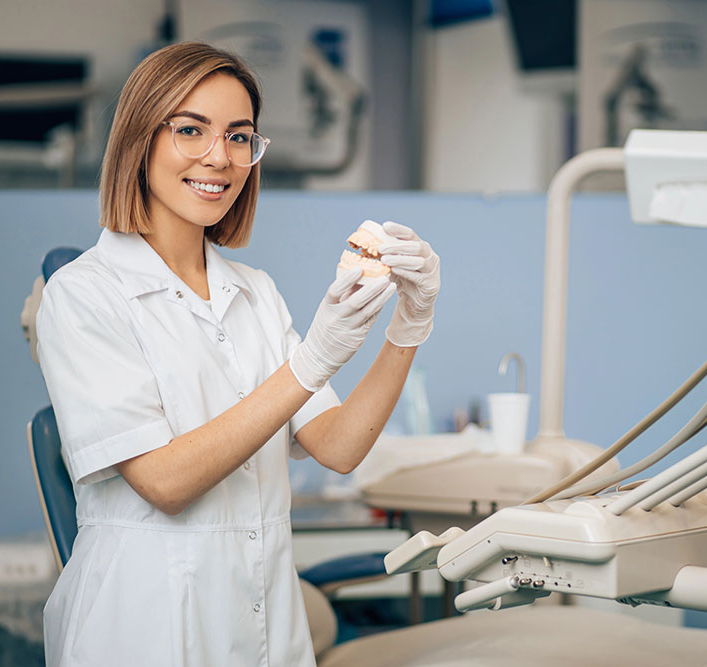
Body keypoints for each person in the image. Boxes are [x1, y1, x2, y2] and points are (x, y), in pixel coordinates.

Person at [35, 41, 439, 666]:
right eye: (190, 130)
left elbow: (338, 446)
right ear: (141, 138)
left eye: (239, 136)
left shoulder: (255, 292)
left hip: (266, 625)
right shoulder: (83, 293)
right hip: (144, 627)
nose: (220, 157)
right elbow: (164, 481)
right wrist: (311, 364)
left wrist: (408, 327)